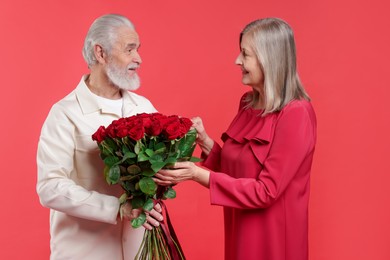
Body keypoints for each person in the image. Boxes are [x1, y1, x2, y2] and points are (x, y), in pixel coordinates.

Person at [155, 18, 317, 260]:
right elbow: (240, 170)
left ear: (269, 59)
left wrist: (197, 174)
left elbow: (266, 191)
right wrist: (205, 141)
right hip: (240, 230)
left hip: (273, 242)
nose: (237, 60)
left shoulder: (296, 113)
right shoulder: (247, 103)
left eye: (245, 54)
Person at [36, 14, 164, 259]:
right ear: (100, 53)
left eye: (137, 49)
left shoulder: (145, 107)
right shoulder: (65, 113)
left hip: (140, 249)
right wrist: (117, 208)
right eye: (130, 49)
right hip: (85, 251)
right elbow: (50, 187)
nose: (138, 59)